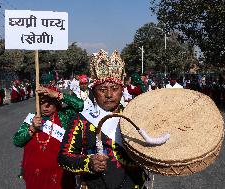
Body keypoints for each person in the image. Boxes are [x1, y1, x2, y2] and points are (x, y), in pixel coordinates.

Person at [58, 49, 145, 189]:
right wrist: (88, 163)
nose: (109, 94)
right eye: (102, 89)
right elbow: (63, 158)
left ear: (122, 90)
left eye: (115, 88)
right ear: (93, 92)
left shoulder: (133, 117)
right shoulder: (82, 120)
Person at [13, 85, 84, 189]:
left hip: (60, 173)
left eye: (50, 102)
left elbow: (80, 105)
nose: (46, 106)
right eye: (42, 102)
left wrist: (57, 94)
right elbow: (17, 141)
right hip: (35, 174)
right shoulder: (32, 119)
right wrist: (32, 128)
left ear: (56, 102)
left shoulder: (65, 115)